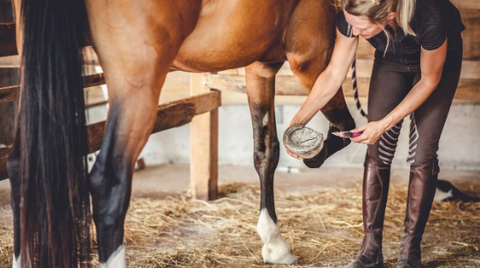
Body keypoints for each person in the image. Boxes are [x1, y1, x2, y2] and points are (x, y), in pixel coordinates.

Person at [285, 0, 465, 267]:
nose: (354, 33)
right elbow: (334, 72)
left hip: (436, 66)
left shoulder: (430, 15)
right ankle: (370, 251)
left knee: (423, 152)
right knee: (377, 151)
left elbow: (429, 80)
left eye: (361, 28)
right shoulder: (351, 17)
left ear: (388, 17)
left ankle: (410, 252)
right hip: (392, 57)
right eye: (352, 25)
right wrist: (297, 122)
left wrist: (381, 124)